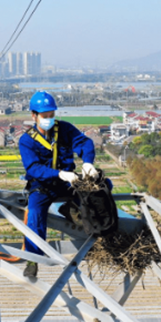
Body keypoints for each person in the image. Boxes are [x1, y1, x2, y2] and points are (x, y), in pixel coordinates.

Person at [18, 91, 99, 277]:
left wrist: (87, 162)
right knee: (35, 215)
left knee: (99, 191)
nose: (49, 119)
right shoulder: (27, 141)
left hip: (68, 183)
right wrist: (59, 174)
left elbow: (84, 142)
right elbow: (33, 168)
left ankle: (96, 236)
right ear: (34, 115)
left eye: (51, 115)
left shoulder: (64, 129)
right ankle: (33, 260)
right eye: (44, 116)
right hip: (43, 186)